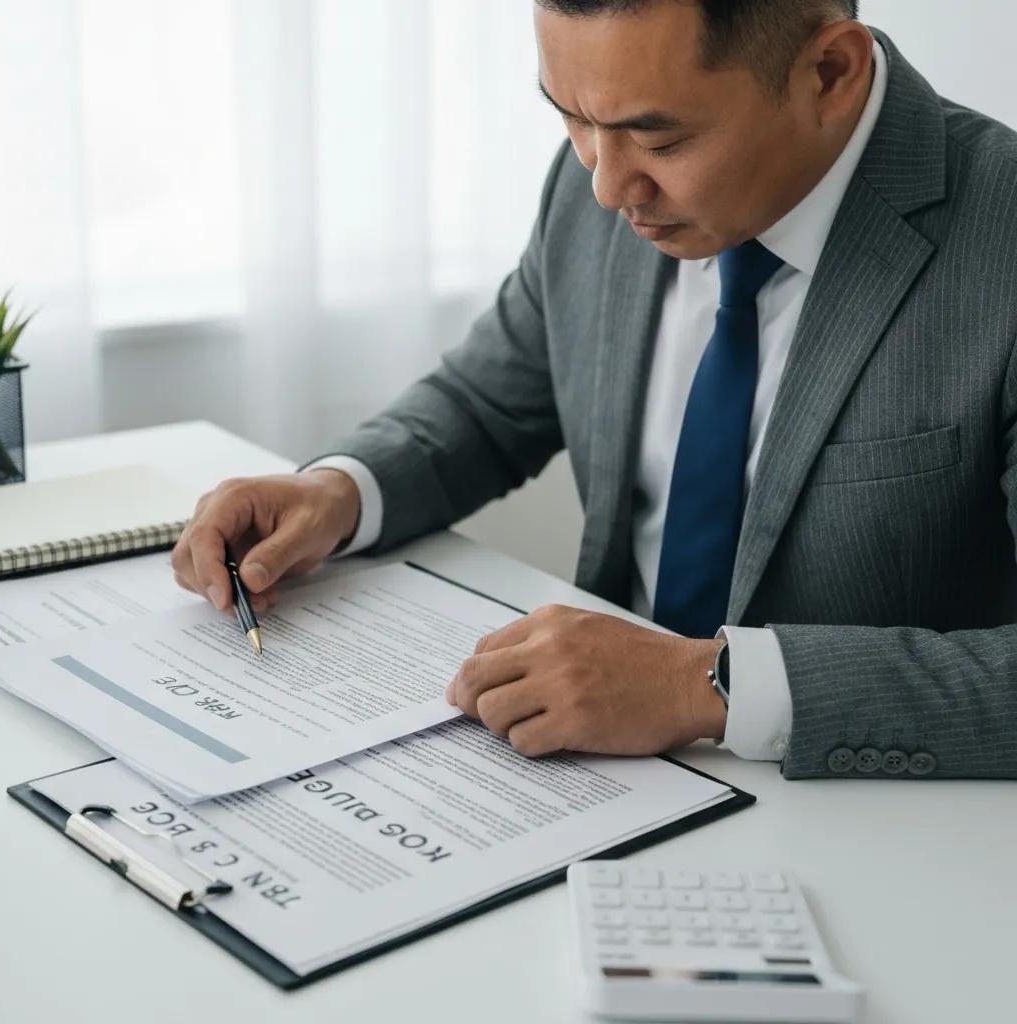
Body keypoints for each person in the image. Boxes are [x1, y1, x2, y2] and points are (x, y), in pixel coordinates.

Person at [172, 0, 1017, 780]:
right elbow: (486, 405)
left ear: (830, 73)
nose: (608, 187)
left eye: (662, 139)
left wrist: (709, 685)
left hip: (879, 831)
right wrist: (336, 490)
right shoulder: (600, 178)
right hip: (593, 785)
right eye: (572, 117)